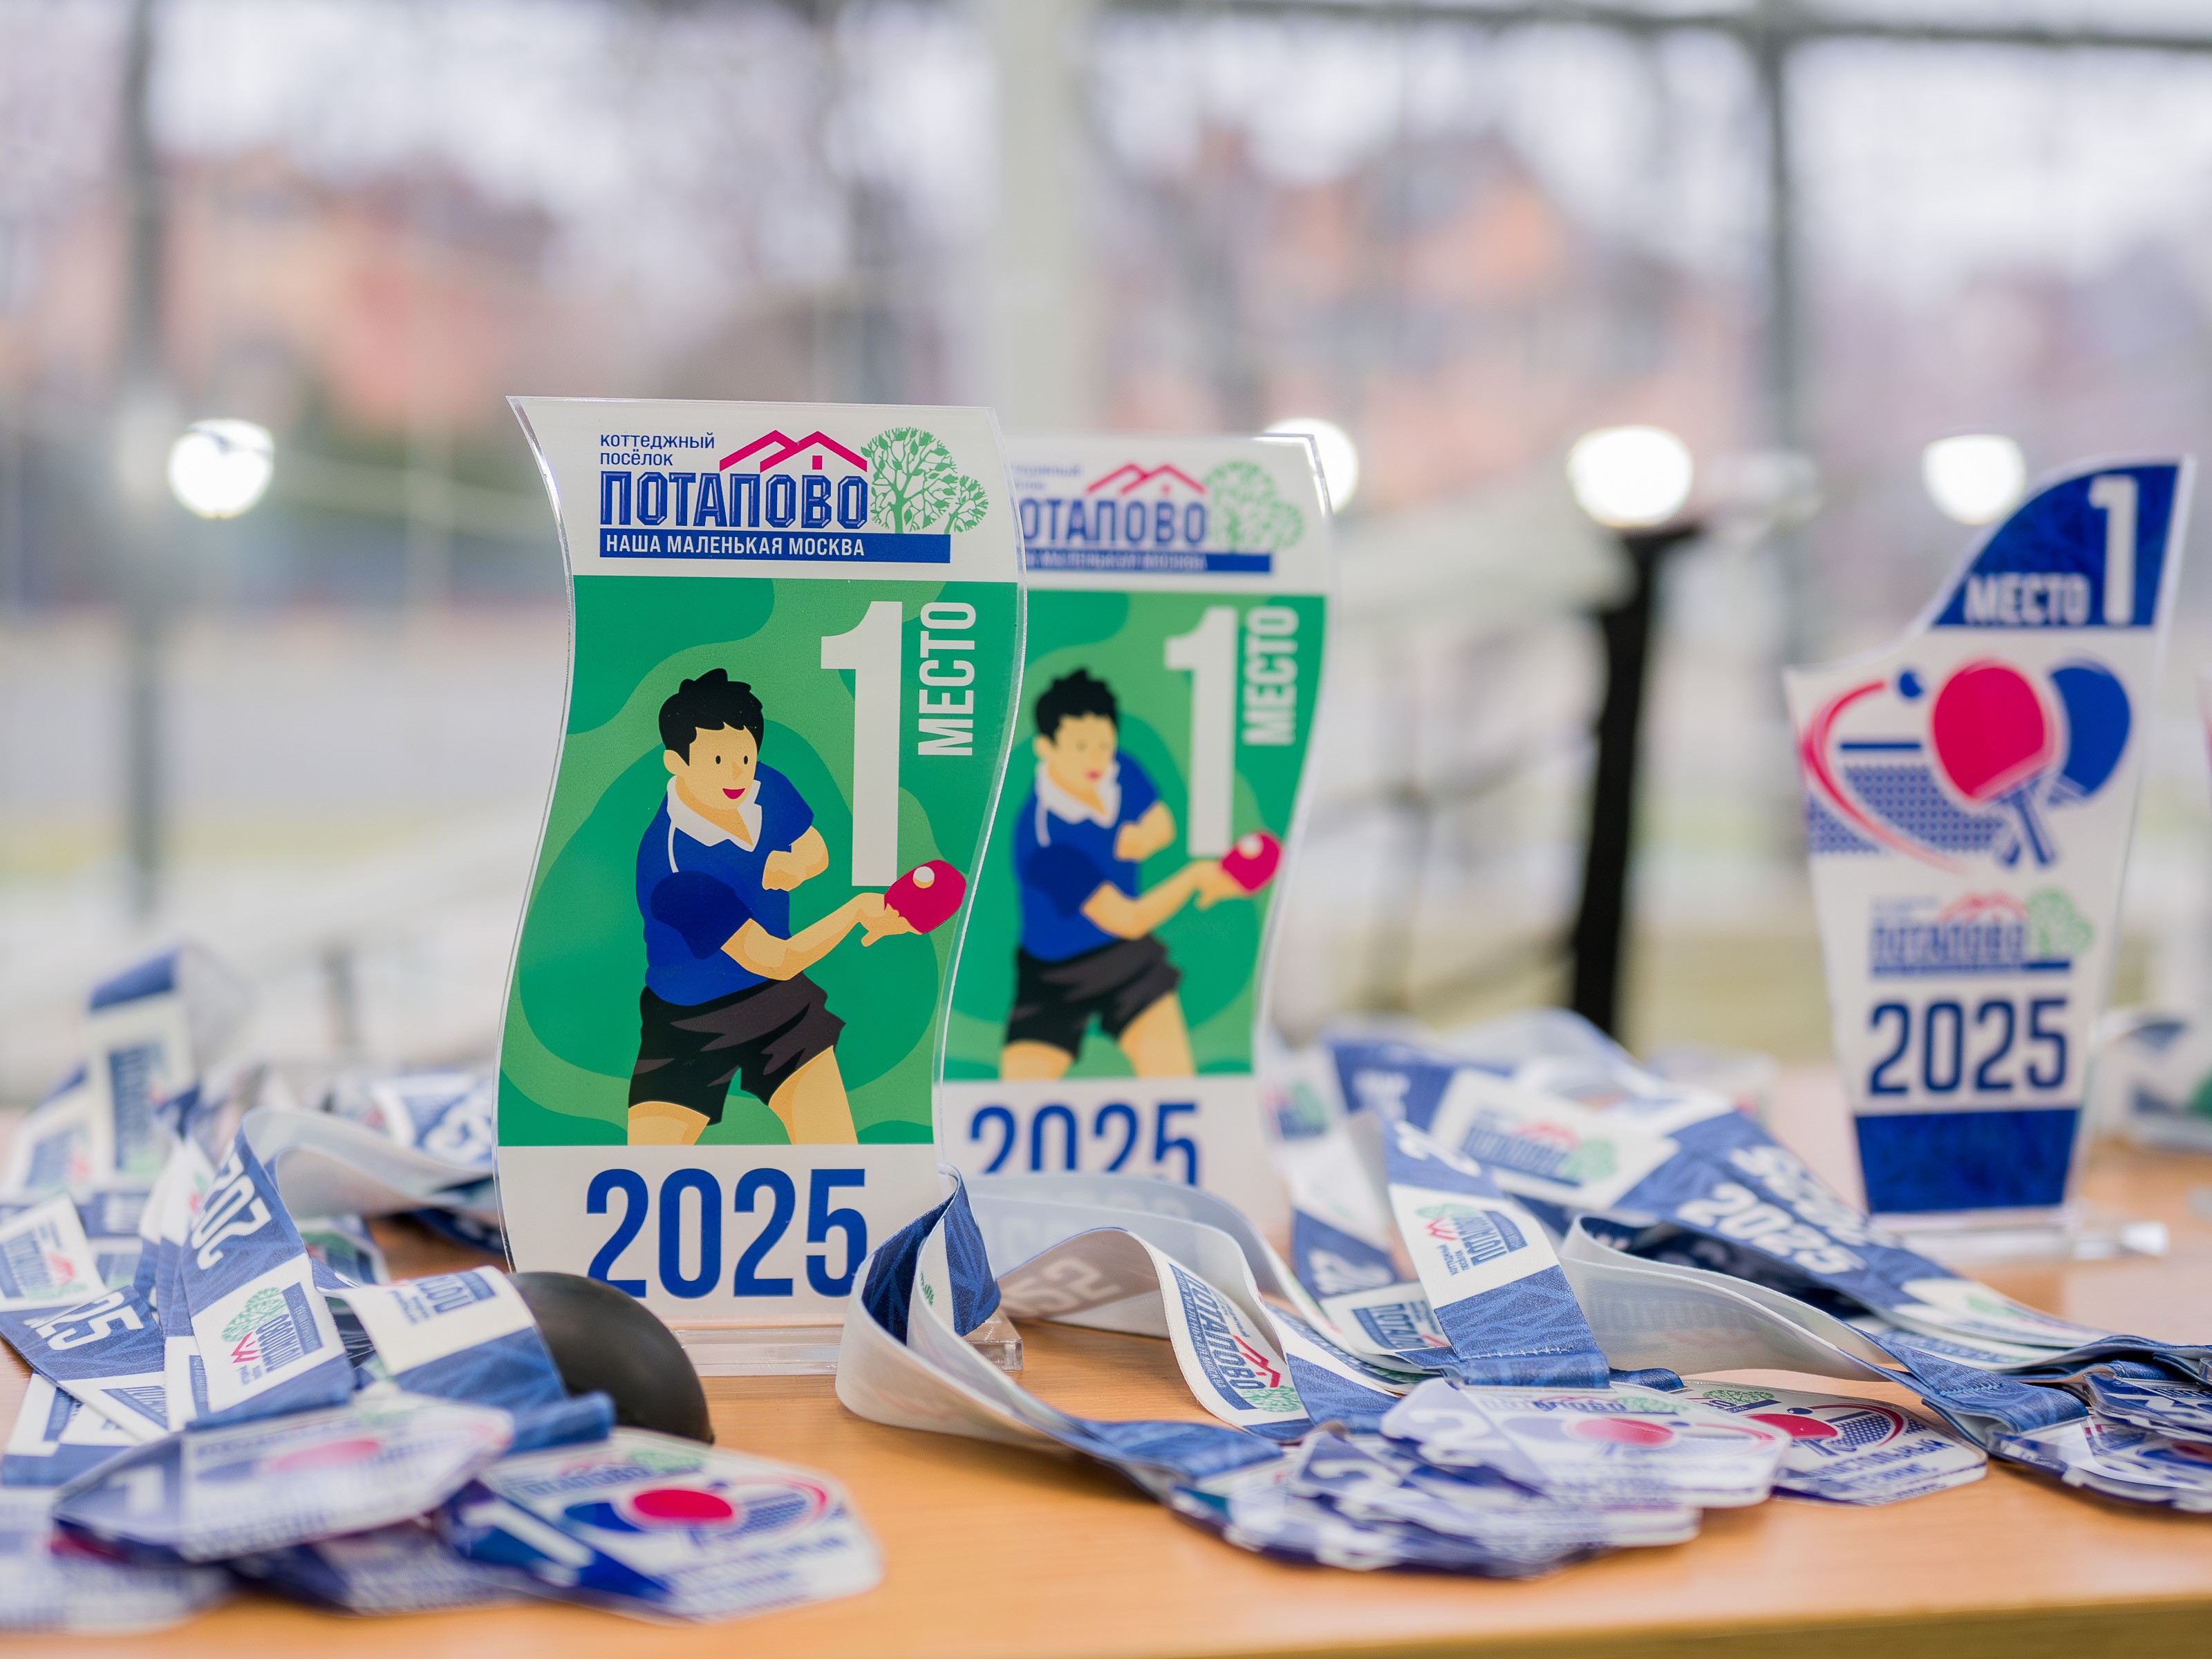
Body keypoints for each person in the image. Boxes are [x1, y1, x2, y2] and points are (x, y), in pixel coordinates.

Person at [628, 669, 909, 1146]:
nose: (736, 773)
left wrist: (798, 864)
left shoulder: (760, 784)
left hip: (777, 1005)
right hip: (687, 1018)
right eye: (718, 760)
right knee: (649, 1172)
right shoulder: (674, 867)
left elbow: (815, 848)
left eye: (745, 756)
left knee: (837, 1153)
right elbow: (775, 959)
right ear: (676, 762)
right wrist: (857, 911)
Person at [1000, 669, 1244, 1080]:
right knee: (1018, 1097)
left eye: (1104, 744)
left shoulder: (1117, 769)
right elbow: (1128, 919)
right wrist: (1195, 877)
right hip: (1053, 972)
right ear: (1046, 747)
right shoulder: (1043, 841)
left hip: (1126, 959)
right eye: (1081, 747)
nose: (1096, 758)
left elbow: (1162, 822)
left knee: (1175, 1082)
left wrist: (1147, 836)